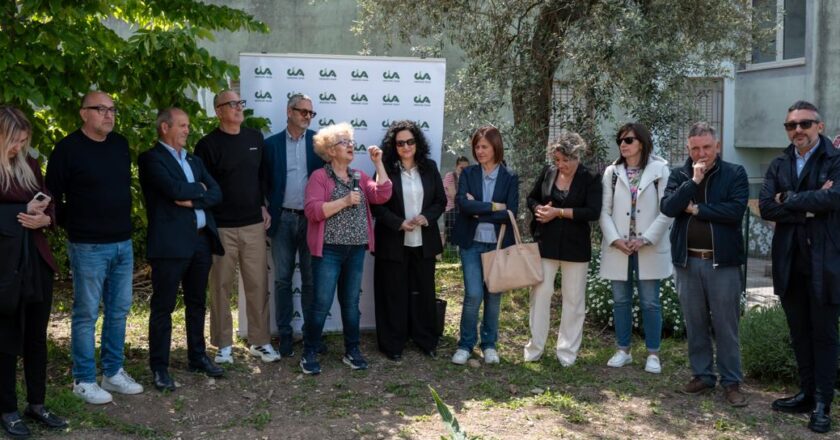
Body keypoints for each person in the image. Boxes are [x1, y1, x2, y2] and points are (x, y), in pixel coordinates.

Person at [46, 91, 143, 404]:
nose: (108, 115)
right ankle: (84, 379)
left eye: (112, 109)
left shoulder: (119, 145)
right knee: (86, 313)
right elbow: (51, 198)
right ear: (83, 113)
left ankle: (112, 373)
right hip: (87, 245)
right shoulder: (67, 149)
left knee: (118, 311)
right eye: (100, 109)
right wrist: (74, 225)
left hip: (122, 242)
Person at [760, 101, 840, 434]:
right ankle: (807, 394)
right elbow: (766, 206)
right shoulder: (779, 163)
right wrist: (806, 204)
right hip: (789, 261)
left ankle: (823, 403)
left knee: (823, 335)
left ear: (819, 126)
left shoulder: (835, 161)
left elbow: (834, 199)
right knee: (799, 332)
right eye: (791, 125)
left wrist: (787, 199)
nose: (798, 131)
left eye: (805, 124)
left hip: (826, 262)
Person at [660, 121, 748, 407]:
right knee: (695, 323)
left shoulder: (735, 173)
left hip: (721, 263)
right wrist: (693, 183)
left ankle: (731, 382)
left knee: (726, 325)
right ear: (688, 148)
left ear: (717, 146)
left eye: (707, 147)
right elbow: (669, 207)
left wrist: (696, 208)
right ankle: (702, 375)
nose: (701, 153)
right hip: (688, 262)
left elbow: (734, 211)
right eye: (695, 148)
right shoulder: (680, 174)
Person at [138, 108, 226, 392]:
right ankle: (160, 367)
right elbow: (173, 189)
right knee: (163, 307)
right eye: (183, 125)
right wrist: (197, 190)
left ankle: (197, 356)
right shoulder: (151, 159)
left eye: (188, 125)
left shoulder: (194, 159)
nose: (188, 130)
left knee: (197, 302)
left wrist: (194, 196)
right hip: (170, 244)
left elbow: (217, 193)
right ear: (165, 127)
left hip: (201, 241)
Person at [301, 122, 392, 374]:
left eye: (351, 142)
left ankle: (352, 351)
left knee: (351, 303)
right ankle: (309, 351)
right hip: (328, 250)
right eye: (344, 142)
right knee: (321, 303)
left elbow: (383, 194)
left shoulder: (359, 176)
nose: (351, 145)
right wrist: (343, 201)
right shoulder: (319, 177)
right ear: (330, 151)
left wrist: (378, 164)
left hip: (355, 249)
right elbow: (312, 211)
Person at [195, 90, 278, 364]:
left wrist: (264, 206)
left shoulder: (255, 138)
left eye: (240, 103)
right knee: (220, 287)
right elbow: (203, 187)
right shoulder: (206, 145)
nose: (238, 107)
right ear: (218, 111)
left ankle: (260, 342)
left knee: (257, 284)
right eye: (232, 104)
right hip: (221, 228)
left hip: (254, 225)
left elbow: (263, 178)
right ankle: (223, 346)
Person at [0, 106, 67, 437]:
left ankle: (37, 404)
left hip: (36, 261)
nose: (18, 147)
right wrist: (20, 211)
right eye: (14, 141)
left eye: (24, 141)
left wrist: (46, 218)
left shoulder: (28, 165)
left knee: (36, 338)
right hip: (4, 266)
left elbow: (51, 203)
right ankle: (8, 409)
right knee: (6, 339)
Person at [522, 131, 602, 367]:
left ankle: (566, 352)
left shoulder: (591, 178)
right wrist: (539, 210)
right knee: (540, 294)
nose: (561, 165)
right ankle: (535, 348)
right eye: (557, 160)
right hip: (545, 244)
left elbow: (592, 212)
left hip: (576, 248)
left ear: (577, 156)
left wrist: (558, 213)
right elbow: (531, 197)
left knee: (574, 300)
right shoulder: (548, 173)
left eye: (566, 160)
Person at [599, 123, 673, 373]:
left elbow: (668, 210)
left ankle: (653, 354)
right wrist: (615, 239)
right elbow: (604, 211)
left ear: (641, 141)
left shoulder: (660, 170)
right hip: (620, 247)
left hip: (648, 247)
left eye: (628, 140)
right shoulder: (612, 172)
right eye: (620, 139)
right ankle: (623, 350)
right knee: (620, 300)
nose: (623, 144)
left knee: (650, 302)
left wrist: (645, 239)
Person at [372, 120, 446, 360]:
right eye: (400, 143)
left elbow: (441, 201)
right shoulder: (385, 169)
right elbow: (377, 206)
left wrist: (427, 216)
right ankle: (393, 344)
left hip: (424, 242)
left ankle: (426, 340)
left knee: (424, 292)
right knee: (394, 294)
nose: (406, 146)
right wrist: (398, 223)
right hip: (393, 242)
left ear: (418, 143)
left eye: (410, 141)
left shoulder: (430, 167)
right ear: (394, 146)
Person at [450, 125, 519, 366]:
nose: (479, 151)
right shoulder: (468, 174)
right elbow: (463, 206)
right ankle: (465, 345)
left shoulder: (510, 177)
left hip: (498, 245)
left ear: (495, 147)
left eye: (484, 147)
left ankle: (489, 344)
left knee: (494, 295)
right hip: (471, 243)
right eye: (477, 147)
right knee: (473, 294)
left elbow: (510, 212)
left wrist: (479, 208)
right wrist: (492, 206)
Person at [264, 94, 324, 357]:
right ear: (289, 111)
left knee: (311, 281)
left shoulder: (319, 144)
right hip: (282, 218)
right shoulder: (271, 145)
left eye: (311, 113)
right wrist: (262, 206)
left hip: (312, 219)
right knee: (282, 280)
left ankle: (312, 336)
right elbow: (261, 182)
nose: (307, 117)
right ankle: (285, 335)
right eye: (303, 112)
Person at [443, 156, 469, 243]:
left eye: (466, 168)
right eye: (462, 167)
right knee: (450, 236)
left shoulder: (468, 178)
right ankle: (448, 254)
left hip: (464, 210)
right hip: (452, 210)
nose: (464, 170)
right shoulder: (450, 176)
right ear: (456, 166)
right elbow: (453, 195)